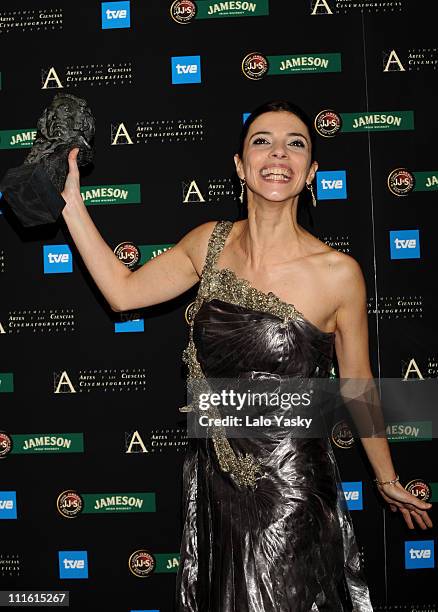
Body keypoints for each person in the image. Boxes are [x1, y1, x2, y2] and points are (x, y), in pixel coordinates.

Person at [61, 100, 432, 611]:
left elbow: (357, 382)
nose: (278, 153)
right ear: (240, 166)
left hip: (290, 490)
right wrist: (71, 203)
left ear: (311, 173)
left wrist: (387, 481)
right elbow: (123, 293)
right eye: (262, 141)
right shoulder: (208, 244)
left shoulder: (337, 272)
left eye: (295, 144)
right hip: (213, 485)